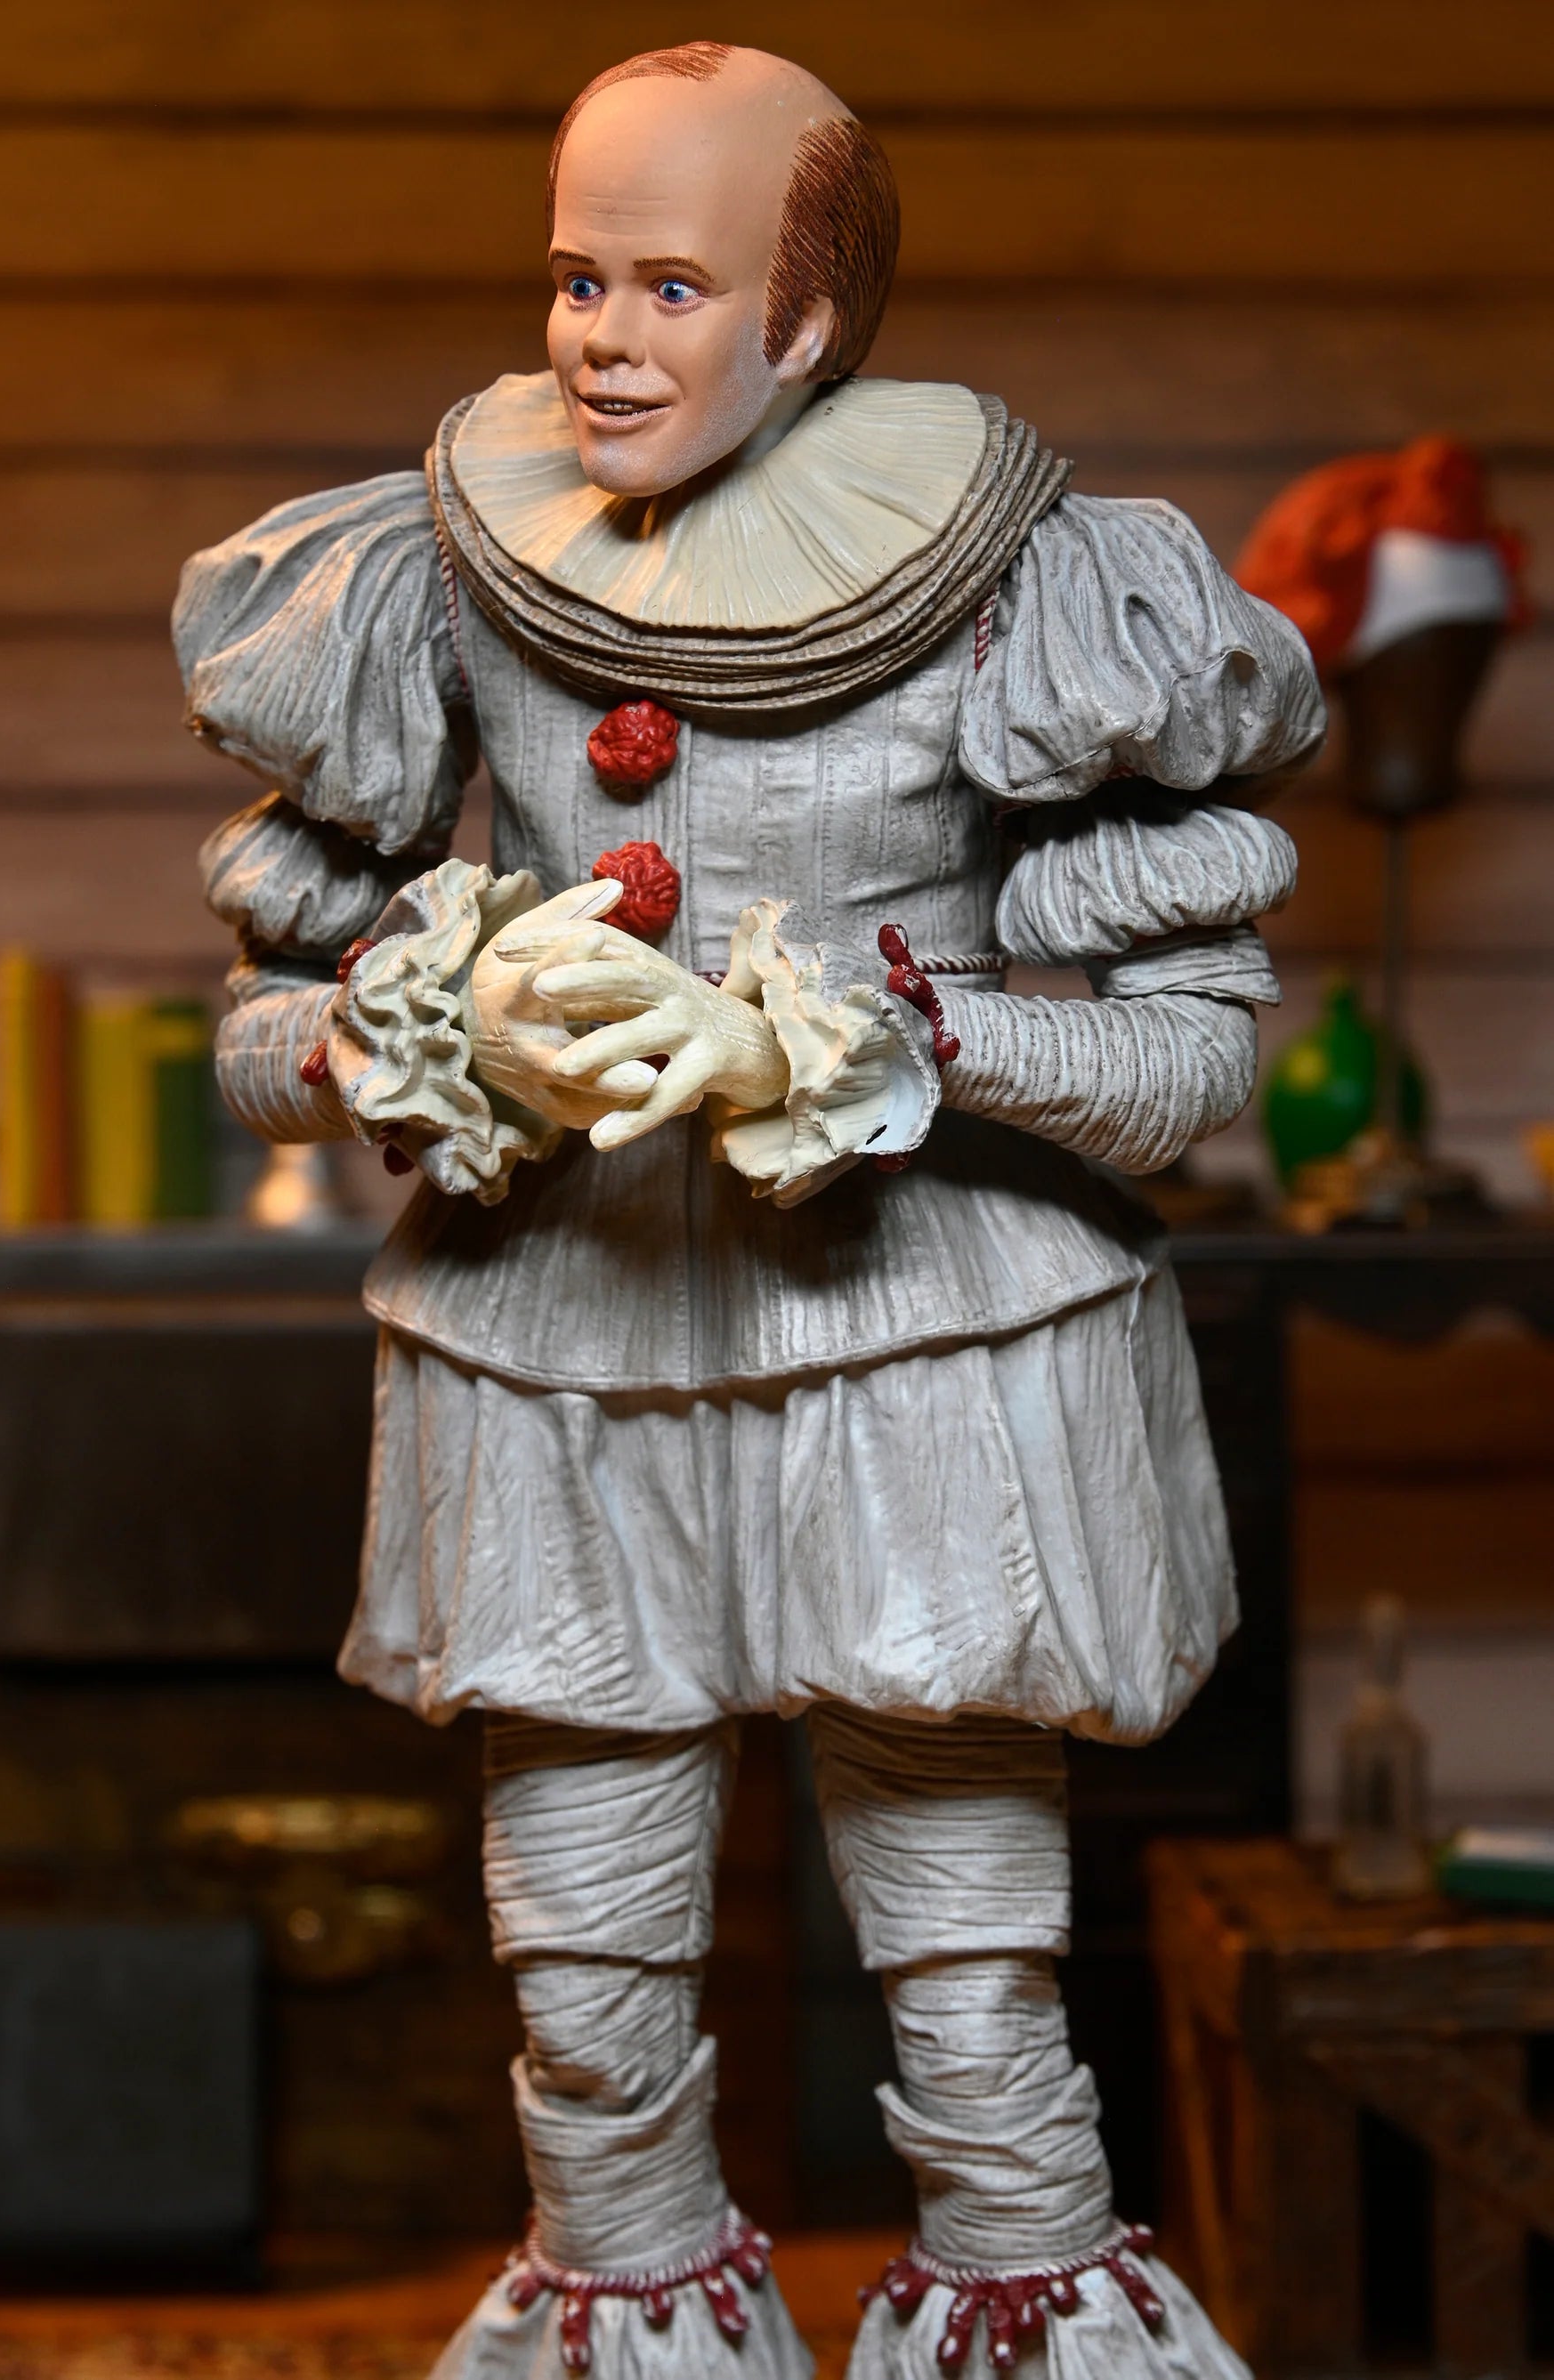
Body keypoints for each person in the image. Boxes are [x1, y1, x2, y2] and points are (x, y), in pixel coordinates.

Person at [176, 44, 1323, 2380]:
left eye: (672, 285)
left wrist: (889, 1043)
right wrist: (431, 1034)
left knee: (976, 2007)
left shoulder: (1023, 590)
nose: (601, 336)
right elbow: (260, 1033)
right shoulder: (436, 563)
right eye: (574, 275)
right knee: (586, 2009)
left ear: (807, 322)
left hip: (925, 1350)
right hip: (561, 1345)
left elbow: (1197, 1059)